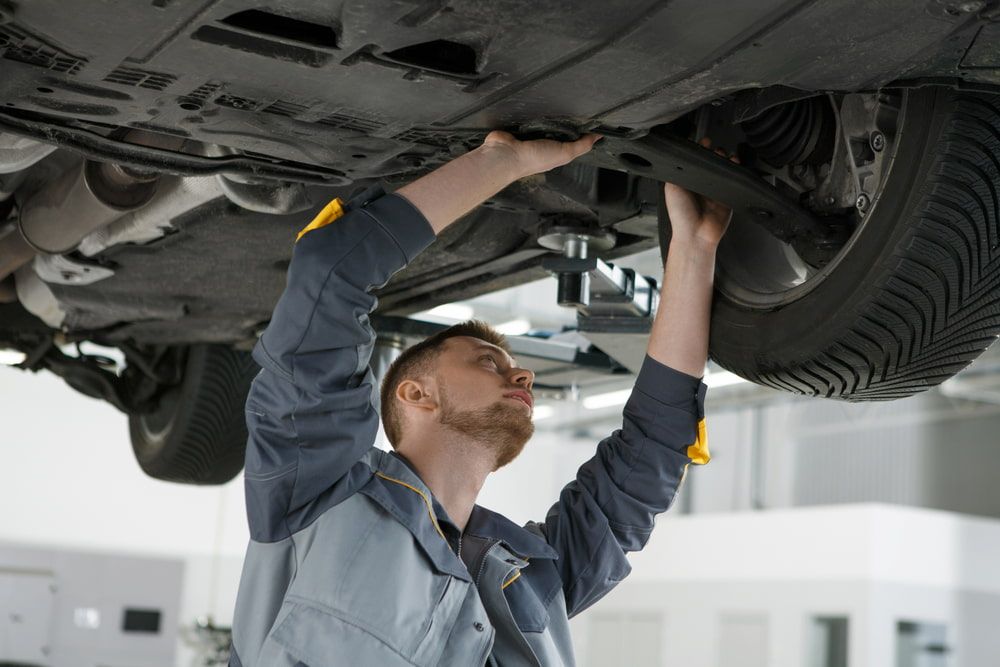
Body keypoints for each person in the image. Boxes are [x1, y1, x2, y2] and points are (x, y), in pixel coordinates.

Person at [228, 130, 733, 666]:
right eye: (493, 362)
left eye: (494, 362)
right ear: (416, 394)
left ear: (416, 394)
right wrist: (697, 246)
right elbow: (655, 451)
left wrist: (503, 160)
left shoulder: (317, 489)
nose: (525, 379)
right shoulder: (534, 580)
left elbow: (331, 272)